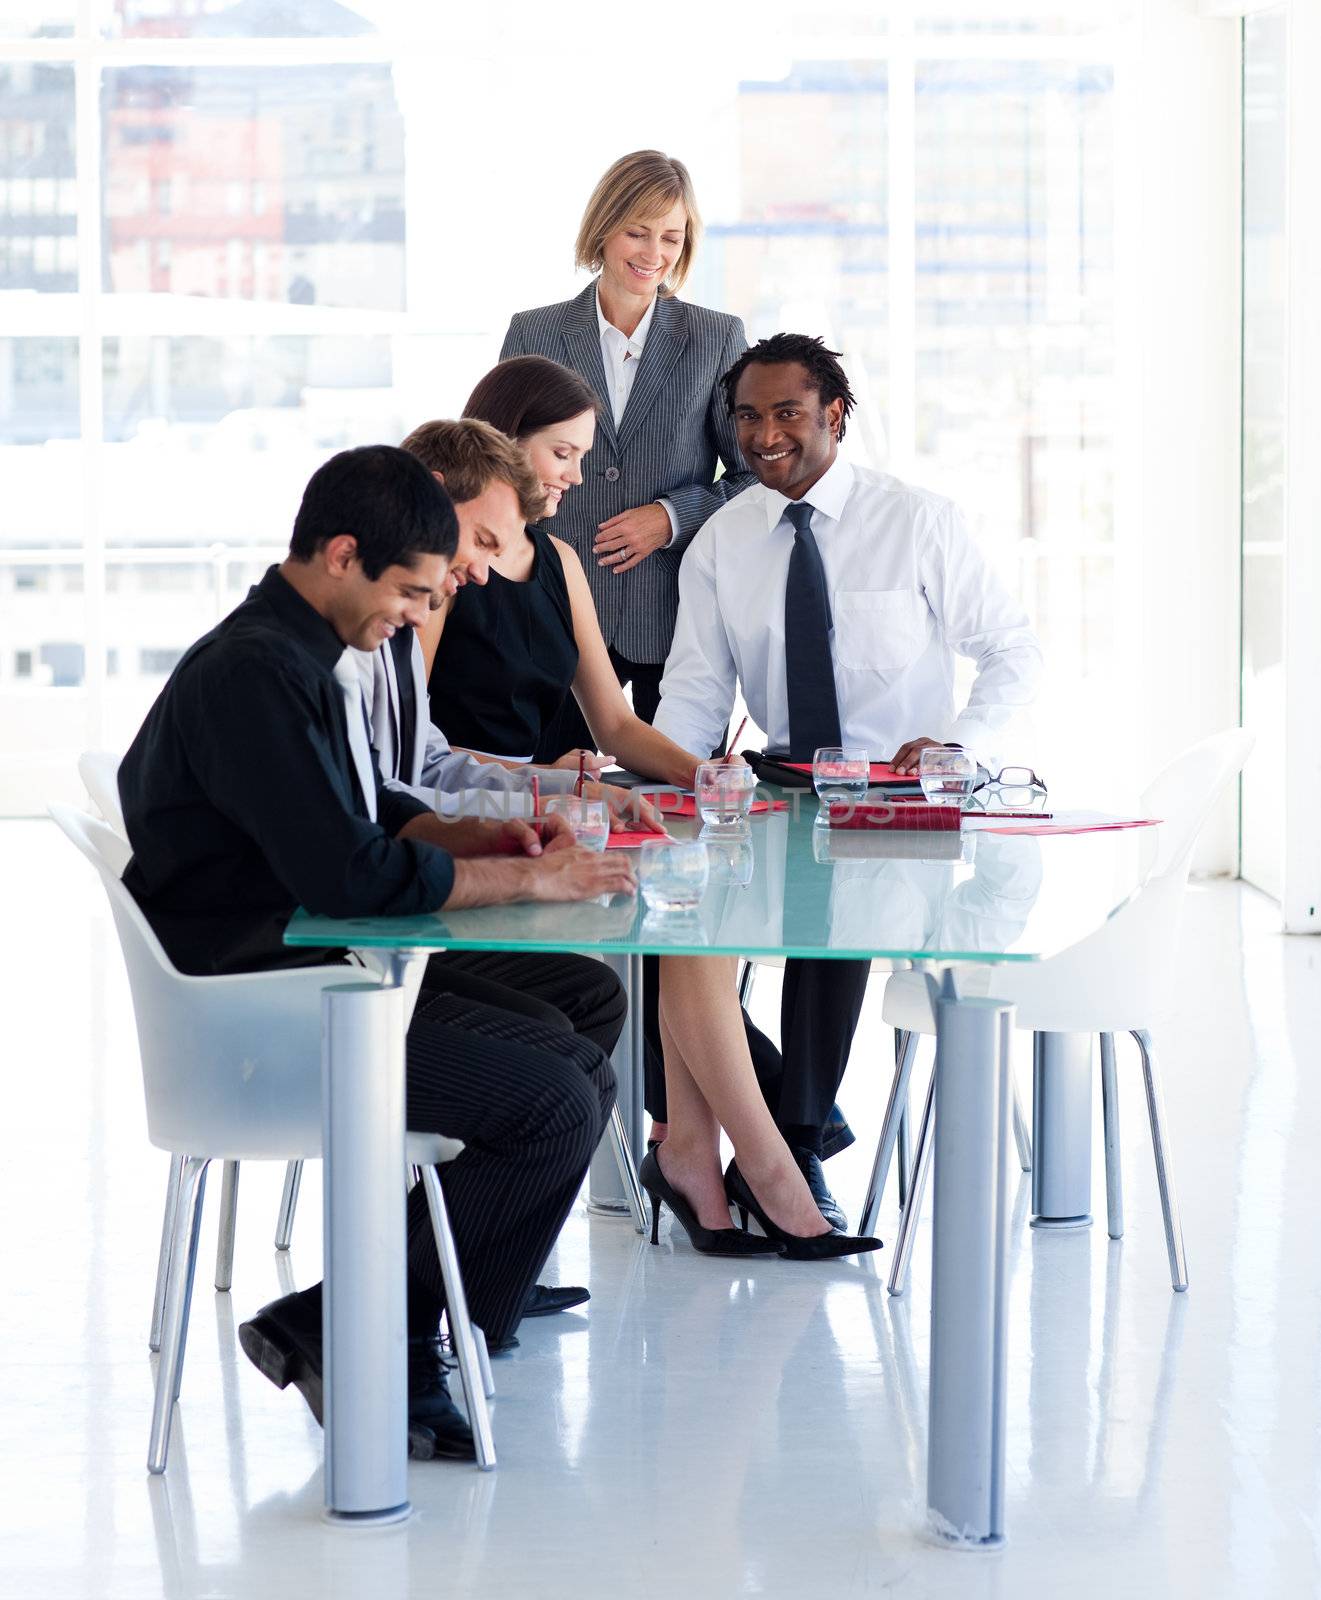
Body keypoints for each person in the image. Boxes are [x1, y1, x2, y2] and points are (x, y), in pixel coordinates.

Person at [118, 445, 637, 1462]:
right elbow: (349, 876)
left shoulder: (292, 653)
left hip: (310, 968)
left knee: (572, 1012)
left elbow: (365, 812)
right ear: (344, 554)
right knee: (554, 1099)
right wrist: (530, 879)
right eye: (408, 591)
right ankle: (379, 1338)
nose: (417, 613)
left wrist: (481, 839)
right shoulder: (256, 676)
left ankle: (377, 1315)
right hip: (271, 1011)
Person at [653, 333, 1044, 1228]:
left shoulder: (916, 521)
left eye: (785, 413)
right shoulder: (723, 540)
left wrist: (957, 744)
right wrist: (669, 786)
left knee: (840, 909)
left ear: (833, 414)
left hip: (896, 796)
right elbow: (696, 688)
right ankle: (794, 1121)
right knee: (661, 942)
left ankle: (784, 1146)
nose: (762, 435)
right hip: (777, 783)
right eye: (746, 417)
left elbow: (1011, 652)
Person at [499, 149, 755, 753]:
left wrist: (670, 517)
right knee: (559, 801)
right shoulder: (533, 333)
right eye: (636, 232)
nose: (652, 254)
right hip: (555, 618)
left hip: (673, 619)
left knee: (683, 810)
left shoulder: (717, 338)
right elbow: (496, 466)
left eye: (670, 237)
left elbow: (754, 478)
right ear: (604, 227)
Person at [414, 364, 703, 789]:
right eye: (562, 454)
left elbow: (617, 725)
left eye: (581, 457)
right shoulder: (443, 566)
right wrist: (543, 778)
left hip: (527, 795)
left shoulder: (561, 560)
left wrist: (701, 772)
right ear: (505, 442)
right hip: (450, 796)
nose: (577, 476)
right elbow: (409, 741)